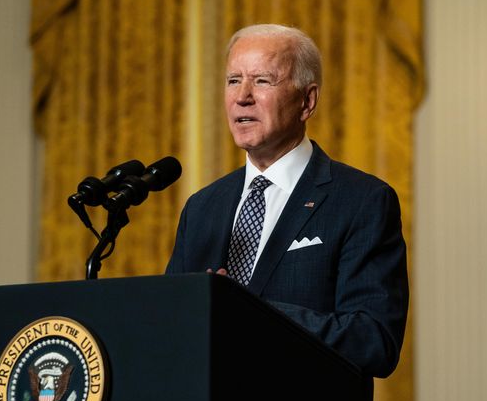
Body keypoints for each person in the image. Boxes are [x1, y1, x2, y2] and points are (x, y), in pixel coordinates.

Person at [166, 24, 408, 380]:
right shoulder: (202, 207)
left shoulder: (362, 200)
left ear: (307, 101)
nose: (242, 96)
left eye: (262, 80)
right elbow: (172, 330)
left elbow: (375, 341)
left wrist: (248, 311)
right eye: (233, 80)